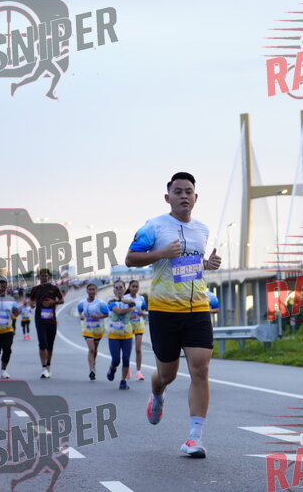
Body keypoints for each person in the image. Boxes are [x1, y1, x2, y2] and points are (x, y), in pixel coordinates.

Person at [125, 171, 222, 458]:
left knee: (200, 369)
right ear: (168, 197)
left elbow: (190, 266)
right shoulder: (154, 227)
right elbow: (130, 258)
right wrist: (162, 253)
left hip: (197, 309)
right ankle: (157, 394)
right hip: (164, 310)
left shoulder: (202, 229)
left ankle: (194, 438)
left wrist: (207, 264)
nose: (183, 196)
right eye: (178, 192)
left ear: (196, 197)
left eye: (188, 191)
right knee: (166, 374)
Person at [29, 268, 64, 379]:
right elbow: (31, 300)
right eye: (42, 275)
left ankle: (48, 366)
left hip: (51, 319)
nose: (44, 277)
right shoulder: (35, 289)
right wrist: (32, 304)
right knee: (42, 344)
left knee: (50, 345)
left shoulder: (54, 288)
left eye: (45, 275)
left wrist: (53, 302)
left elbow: (62, 300)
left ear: (49, 277)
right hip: (39, 319)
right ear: (39, 277)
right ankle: (43, 368)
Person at [107, 280, 135, 390]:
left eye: (121, 287)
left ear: (124, 289)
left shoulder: (128, 300)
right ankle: (112, 368)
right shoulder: (110, 301)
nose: (119, 290)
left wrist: (128, 303)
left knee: (126, 359)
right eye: (117, 288)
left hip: (127, 335)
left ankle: (123, 381)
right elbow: (118, 311)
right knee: (116, 360)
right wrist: (130, 309)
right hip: (114, 335)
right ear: (114, 290)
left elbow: (134, 303)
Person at [77, 282, 109, 380]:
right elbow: (79, 310)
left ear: (96, 291)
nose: (91, 291)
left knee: (95, 349)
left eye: (93, 289)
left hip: (98, 329)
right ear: (87, 291)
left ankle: (93, 363)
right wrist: (81, 316)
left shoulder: (101, 303)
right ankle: (91, 370)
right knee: (91, 349)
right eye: (90, 289)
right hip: (87, 328)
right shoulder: (82, 302)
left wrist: (98, 317)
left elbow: (107, 314)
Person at [125, 280, 148, 381]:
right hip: (128, 325)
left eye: (136, 286)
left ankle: (138, 372)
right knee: (128, 349)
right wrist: (129, 315)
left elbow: (144, 309)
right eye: (133, 286)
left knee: (138, 349)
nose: (135, 288)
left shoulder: (141, 298)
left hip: (139, 324)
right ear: (129, 287)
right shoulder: (125, 298)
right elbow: (122, 312)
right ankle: (127, 369)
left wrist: (142, 312)